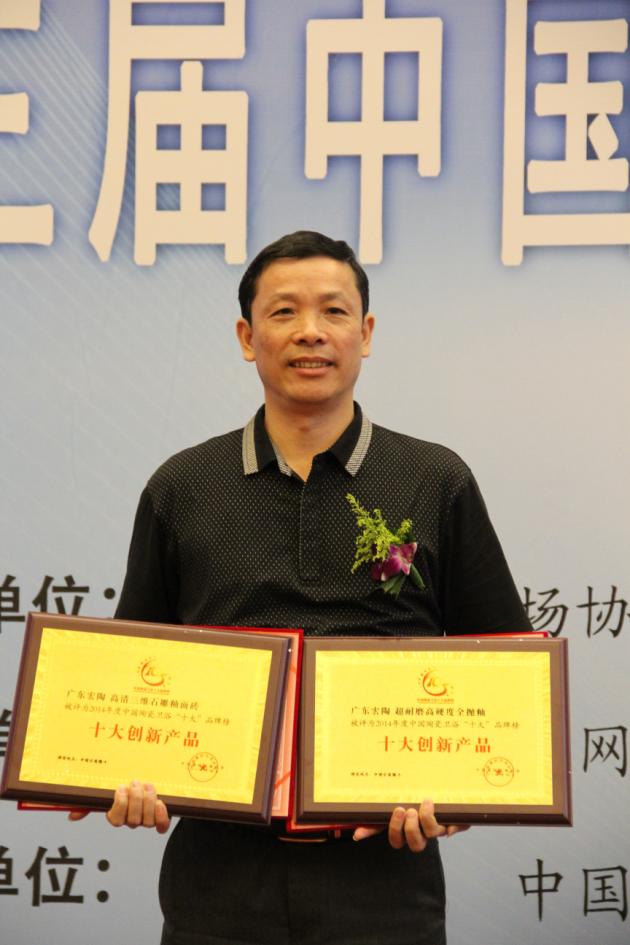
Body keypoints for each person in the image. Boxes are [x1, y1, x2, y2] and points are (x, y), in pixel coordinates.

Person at [71, 231, 531, 944]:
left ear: (365, 333)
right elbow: (137, 671)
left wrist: (460, 789)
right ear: (246, 337)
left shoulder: (435, 480)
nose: (310, 331)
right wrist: (121, 772)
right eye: (284, 311)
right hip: (217, 879)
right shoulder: (182, 487)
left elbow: (505, 672)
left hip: (384, 880)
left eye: (333, 311)